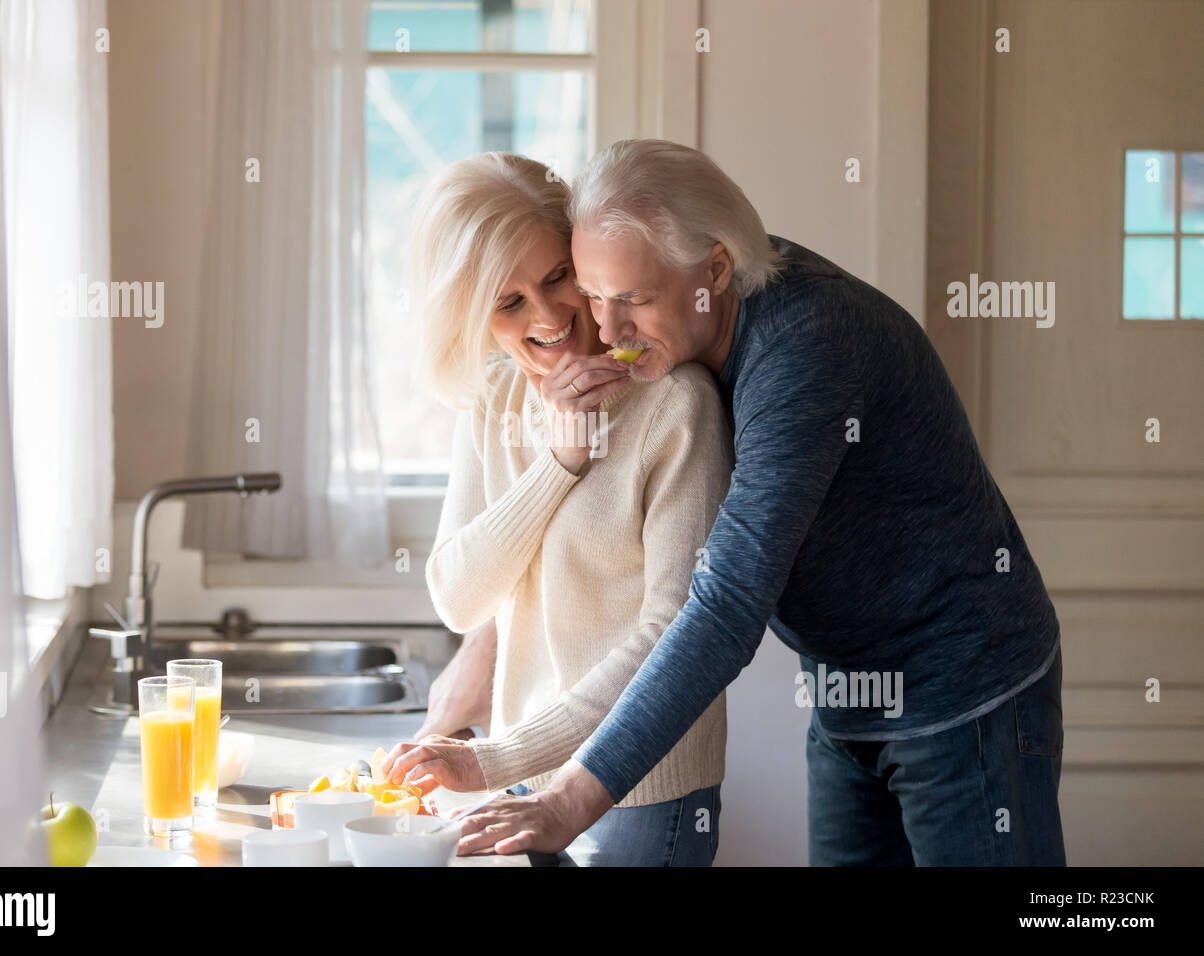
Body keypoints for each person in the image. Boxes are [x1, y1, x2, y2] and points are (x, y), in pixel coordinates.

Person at [445, 139, 1065, 866]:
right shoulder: (690, 313)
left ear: (715, 269)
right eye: (596, 294)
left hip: (966, 691)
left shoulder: (806, 347)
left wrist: (568, 800)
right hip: (847, 692)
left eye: (633, 301)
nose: (604, 332)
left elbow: (725, 604)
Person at [382, 152, 736, 865]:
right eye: (509, 303)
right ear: (474, 316)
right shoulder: (495, 397)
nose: (550, 318)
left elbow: (672, 633)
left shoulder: (676, 404)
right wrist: (558, 462)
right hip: (519, 784)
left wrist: (495, 757)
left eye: (556, 278)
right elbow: (457, 596)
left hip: (640, 791)